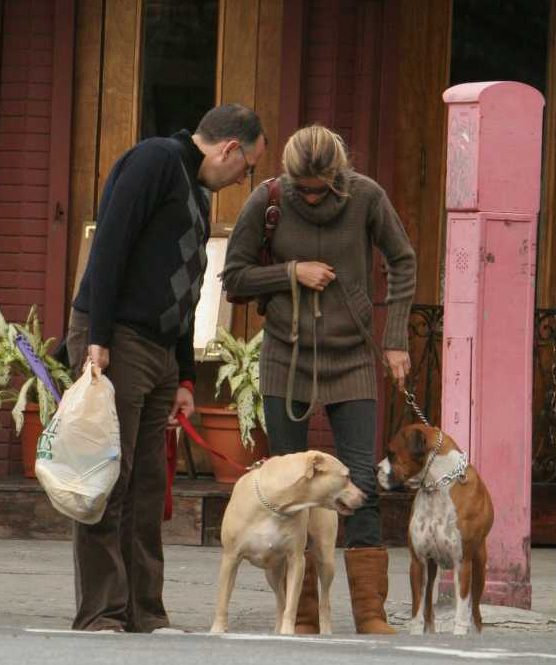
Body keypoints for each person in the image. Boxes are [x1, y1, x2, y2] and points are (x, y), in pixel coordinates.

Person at [66, 104, 267, 633]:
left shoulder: (195, 191)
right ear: (229, 148)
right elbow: (109, 245)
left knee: (149, 486)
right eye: (247, 168)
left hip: (157, 350)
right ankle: (102, 613)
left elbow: (187, 287)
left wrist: (184, 375)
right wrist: (98, 339)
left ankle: (145, 611)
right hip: (117, 338)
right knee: (110, 477)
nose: (243, 180)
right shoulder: (155, 160)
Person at [222, 125, 416, 634]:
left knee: (361, 480)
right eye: (302, 189)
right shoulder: (267, 200)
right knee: (292, 486)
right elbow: (234, 276)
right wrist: (292, 272)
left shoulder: (367, 196)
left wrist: (395, 337)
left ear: (339, 173)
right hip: (285, 359)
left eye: (321, 187)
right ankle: (302, 614)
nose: (311, 196)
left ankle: (371, 613)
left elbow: (403, 260)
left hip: (352, 358)